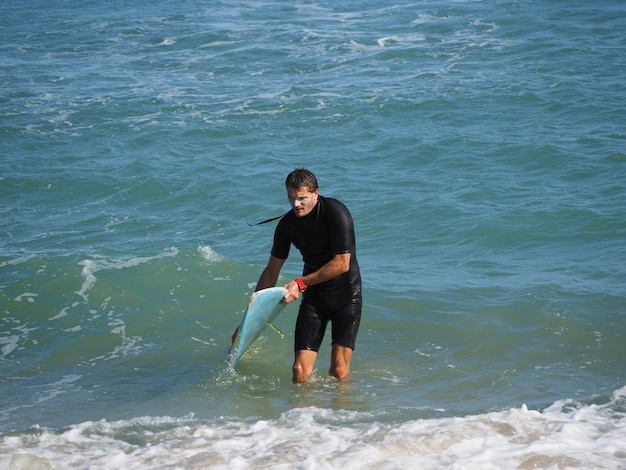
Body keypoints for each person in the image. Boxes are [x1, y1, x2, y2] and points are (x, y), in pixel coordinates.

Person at [254, 168, 362, 383]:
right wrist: (253, 313)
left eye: (302, 198)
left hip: (346, 297)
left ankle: (343, 414)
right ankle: (303, 415)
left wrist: (300, 283)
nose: (296, 205)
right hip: (315, 299)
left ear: (316, 193)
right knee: (300, 370)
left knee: (339, 370)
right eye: (291, 198)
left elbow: (341, 264)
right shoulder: (287, 225)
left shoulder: (336, 213)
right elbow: (272, 270)